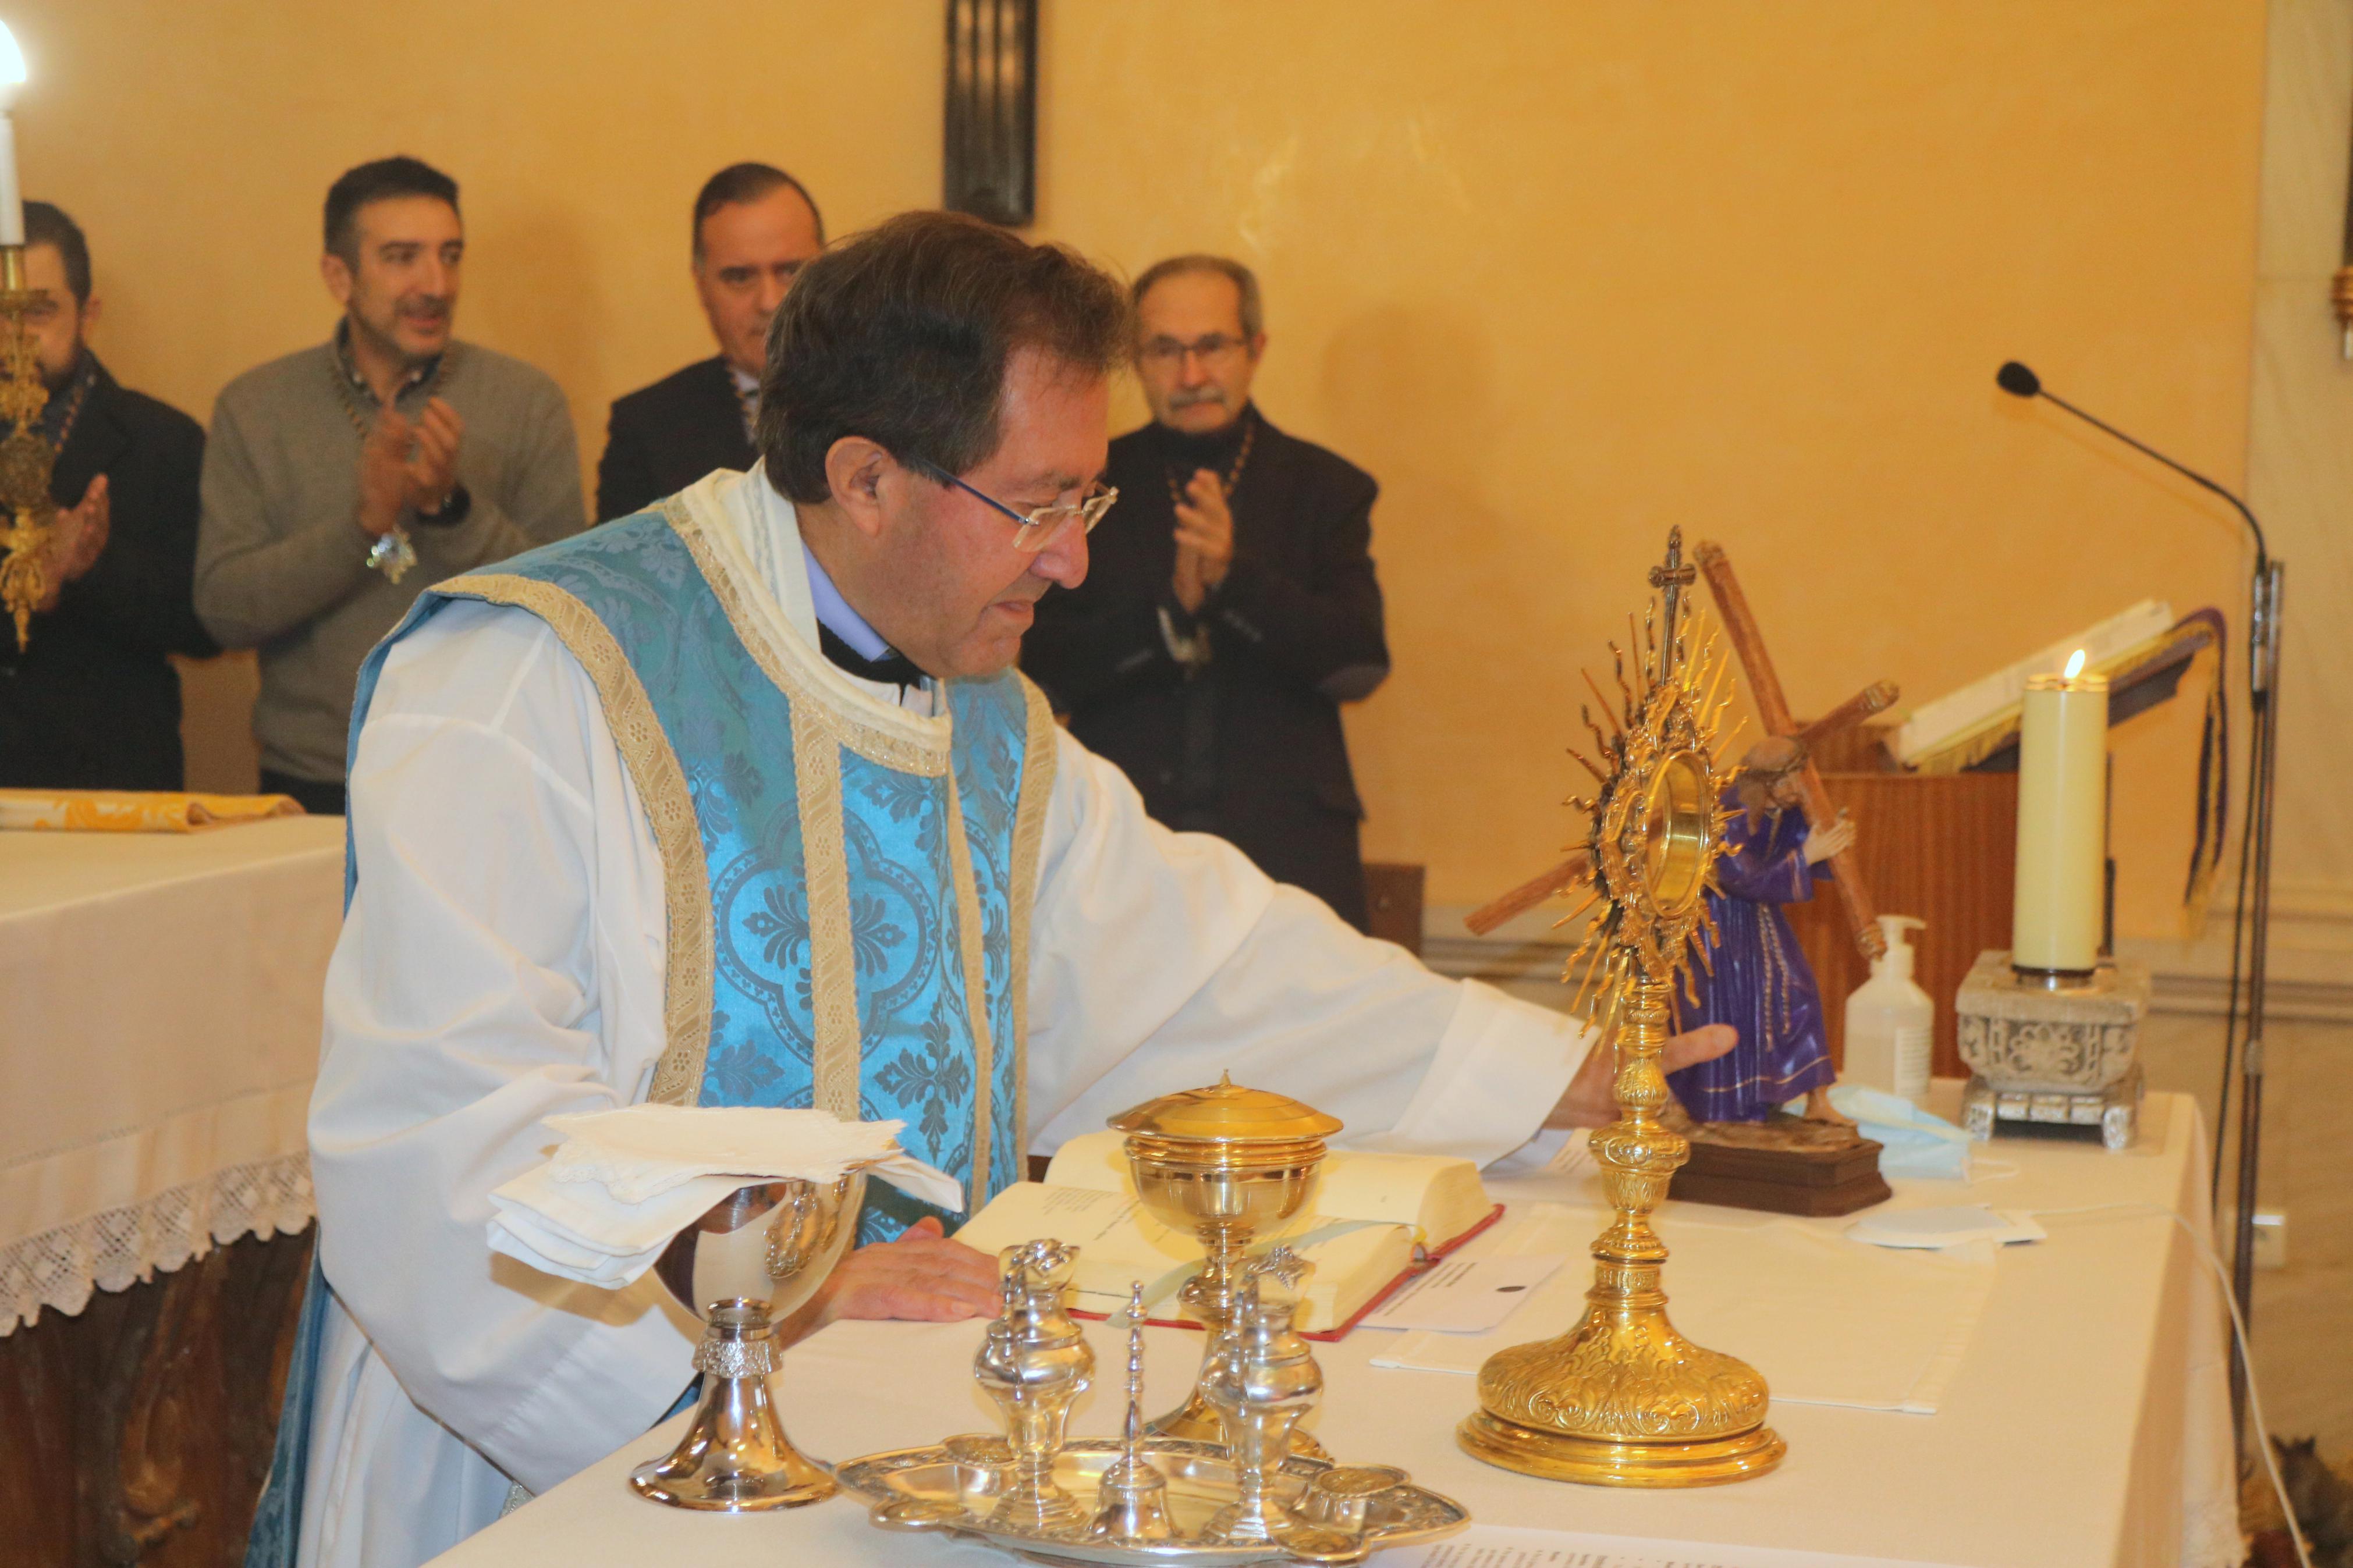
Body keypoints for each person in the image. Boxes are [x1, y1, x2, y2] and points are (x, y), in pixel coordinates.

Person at [256, 212, 1733, 1568]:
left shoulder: (980, 710)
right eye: (1037, 505)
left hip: (902, 1435)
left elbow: (1199, 964)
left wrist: (1557, 1072)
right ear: (864, 479)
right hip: (566, 1469)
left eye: (1085, 497)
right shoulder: (529, 674)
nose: (1079, 561)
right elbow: (435, 1158)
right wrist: (763, 1320)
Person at [194, 157, 584, 816]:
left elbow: (572, 607)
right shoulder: (256, 407)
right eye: (403, 258)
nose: (435, 284)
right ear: (338, 275)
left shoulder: (525, 401)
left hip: (489, 775)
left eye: (450, 256)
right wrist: (361, 530)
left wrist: (450, 510)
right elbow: (226, 610)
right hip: (316, 784)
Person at [1022, 255, 1387, 931]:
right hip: (1120, 851)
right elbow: (1041, 668)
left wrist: (1234, 583)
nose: (1190, 375)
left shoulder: (1324, 488)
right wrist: (1169, 617)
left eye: (1211, 346)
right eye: (1164, 350)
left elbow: (1359, 662)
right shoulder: (1084, 483)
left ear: (1254, 349)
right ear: (1133, 359)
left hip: (1288, 851)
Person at [0, 201, 215, 788]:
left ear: (88, 315)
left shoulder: (161, 439)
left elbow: (206, 624)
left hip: (112, 783)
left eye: (38, 311)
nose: (13, 338)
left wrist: (91, 571)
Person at [595, 163, 825, 521]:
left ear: (827, 271)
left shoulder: (894, 399)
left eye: (790, 271)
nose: (770, 302)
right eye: (739, 277)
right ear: (701, 286)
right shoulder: (647, 428)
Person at [1666, 735, 1858, 1124]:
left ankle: (1816, 1100)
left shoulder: (1780, 808)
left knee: (1798, 994)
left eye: (1796, 780)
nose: (1794, 791)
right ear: (1761, 782)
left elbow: (1798, 845)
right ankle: (1713, 1104)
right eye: (1785, 782)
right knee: (1726, 1012)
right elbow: (1738, 876)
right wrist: (1807, 856)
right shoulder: (1727, 811)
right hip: (1718, 926)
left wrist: (1828, 838)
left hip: (1762, 920)